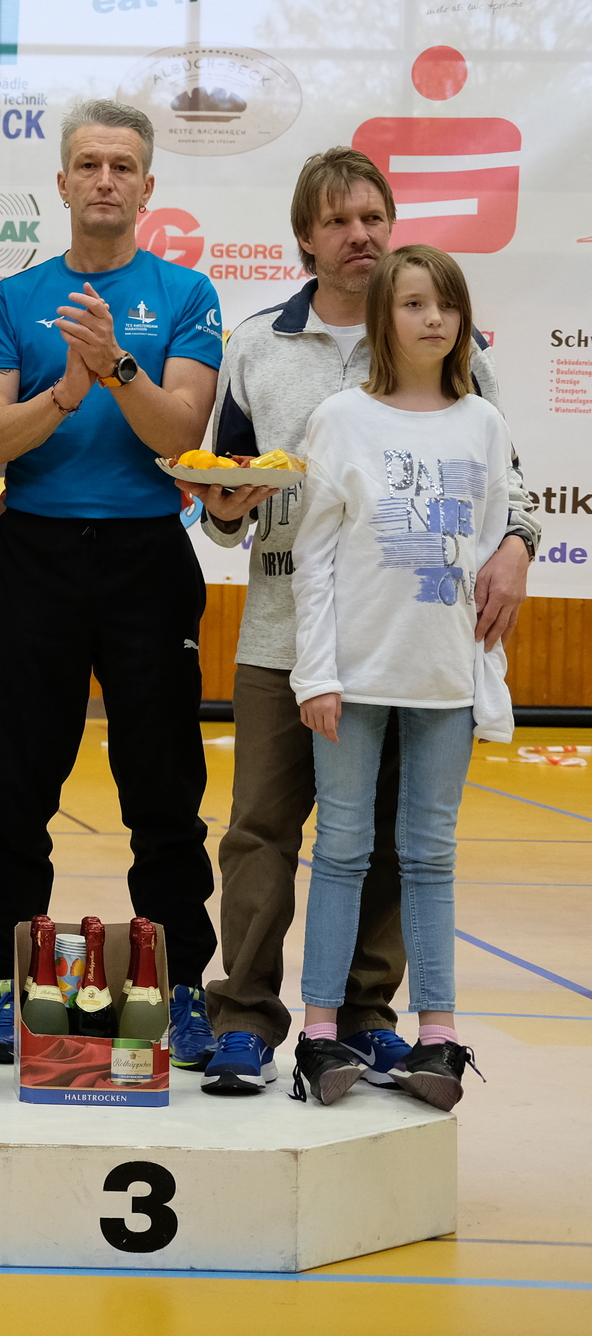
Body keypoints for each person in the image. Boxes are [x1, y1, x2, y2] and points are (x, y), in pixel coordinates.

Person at [190, 150, 536, 1094]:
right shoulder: (256, 346)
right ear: (305, 238)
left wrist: (517, 545)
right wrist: (222, 510)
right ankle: (245, 1019)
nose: (360, 236)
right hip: (283, 637)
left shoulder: (456, 355)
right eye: (339, 221)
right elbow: (223, 500)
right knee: (262, 831)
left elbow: (507, 484)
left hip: (406, 648)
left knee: (390, 840)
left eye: (374, 217)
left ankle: (368, 1019)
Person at [0, 98, 223, 1067]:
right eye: (88, 164)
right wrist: (66, 391)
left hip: (148, 555)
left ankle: (181, 985)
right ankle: (6, 984)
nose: (104, 179)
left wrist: (111, 361)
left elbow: (180, 433)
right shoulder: (13, 299)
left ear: (147, 187)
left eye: (121, 166)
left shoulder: (186, 292)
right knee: (16, 785)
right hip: (35, 554)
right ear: (63, 183)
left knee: (164, 788)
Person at [287, 245, 514, 1112]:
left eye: (446, 304)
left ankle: (439, 1037)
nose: (433, 319)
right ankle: (318, 1035)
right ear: (383, 315)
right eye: (414, 303)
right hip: (353, 676)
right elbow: (313, 559)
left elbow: (487, 555)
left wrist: (482, 677)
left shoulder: (483, 423)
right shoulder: (341, 418)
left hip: (443, 680)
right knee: (341, 850)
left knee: (430, 854)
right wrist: (317, 672)